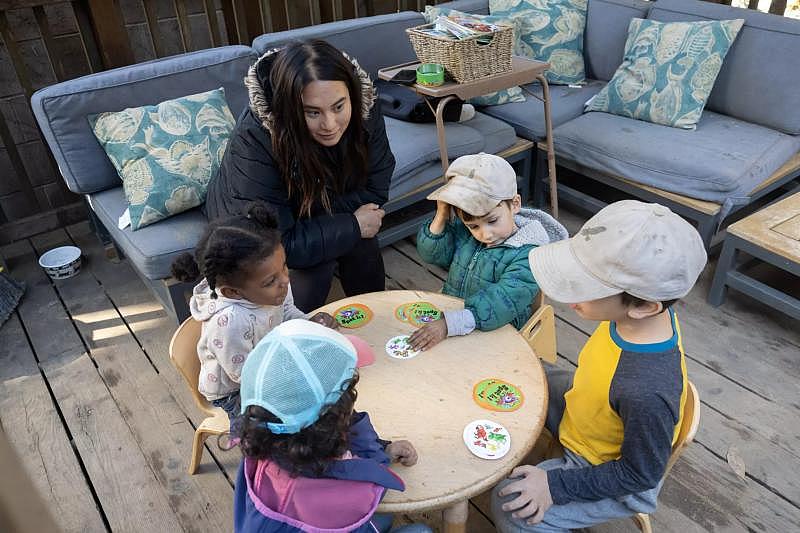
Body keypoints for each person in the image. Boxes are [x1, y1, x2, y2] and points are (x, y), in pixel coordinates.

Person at [491, 200, 707, 532]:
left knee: (509, 504)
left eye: (584, 287)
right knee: (523, 372)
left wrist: (555, 486)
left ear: (644, 306)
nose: (569, 296)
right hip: (592, 409)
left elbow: (639, 474)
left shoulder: (646, 391)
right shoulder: (643, 317)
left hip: (604, 466)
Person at [205, 39, 395, 312]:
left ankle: (376, 318)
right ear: (289, 110)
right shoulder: (256, 137)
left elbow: (376, 184)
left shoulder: (366, 108)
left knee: (360, 242)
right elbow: (276, 240)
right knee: (318, 260)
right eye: (312, 112)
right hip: (252, 227)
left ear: (351, 95)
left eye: (339, 107)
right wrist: (348, 224)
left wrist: (338, 223)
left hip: (310, 210)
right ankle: (293, 335)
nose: (329, 124)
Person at [234, 319, 431, 533]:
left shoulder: (263, 440)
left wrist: (385, 448)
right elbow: (375, 477)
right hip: (339, 521)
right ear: (335, 421)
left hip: (283, 523)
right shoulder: (354, 493)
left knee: (384, 519)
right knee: (420, 530)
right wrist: (376, 446)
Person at [171, 202, 336, 433]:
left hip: (270, 363)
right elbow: (244, 376)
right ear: (232, 292)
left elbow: (287, 313)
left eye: (285, 267)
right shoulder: (229, 323)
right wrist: (291, 369)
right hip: (235, 391)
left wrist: (309, 324)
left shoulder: (274, 283)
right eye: (271, 280)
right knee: (275, 433)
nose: (285, 280)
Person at [409, 153, 567, 351]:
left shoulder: (529, 254)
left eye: (492, 221)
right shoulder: (466, 233)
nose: (485, 234)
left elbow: (502, 302)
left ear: (515, 204)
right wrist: (442, 214)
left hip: (499, 328)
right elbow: (431, 254)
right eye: (473, 226)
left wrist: (450, 324)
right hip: (455, 315)